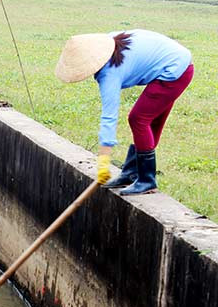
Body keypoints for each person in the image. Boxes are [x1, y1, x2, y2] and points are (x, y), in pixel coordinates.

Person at [55, 30, 194, 195]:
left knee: (138, 119)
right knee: (150, 119)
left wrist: (104, 163)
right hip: (177, 60)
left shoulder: (110, 73)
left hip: (175, 71)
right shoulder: (110, 41)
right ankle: (131, 172)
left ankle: (146, 180)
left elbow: (109, 118)